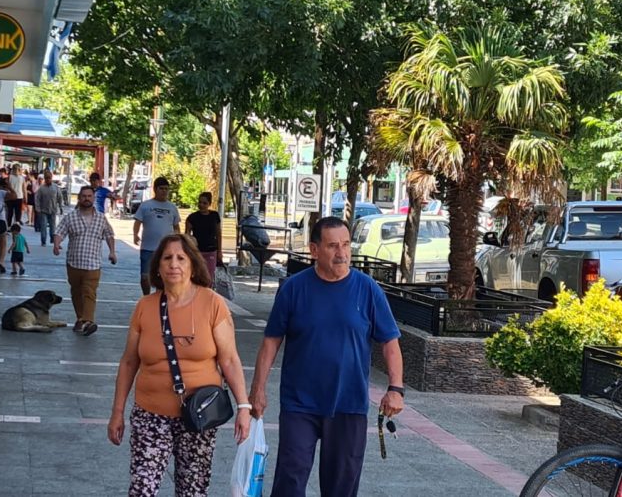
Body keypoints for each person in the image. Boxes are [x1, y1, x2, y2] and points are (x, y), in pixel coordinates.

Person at [249, 217, 405, 497]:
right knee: (290, 480)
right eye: (332, 246)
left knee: (341, 487)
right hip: (300, 403)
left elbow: (390, 343)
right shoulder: (293, 288)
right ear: (314, 250)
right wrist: (258, 389)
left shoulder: (368, 289)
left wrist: (395, 388)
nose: (342, 253)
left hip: (349, 404)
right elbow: (271, 341)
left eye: (346, 244)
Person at [107, 233, 252, 496]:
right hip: (150, 414)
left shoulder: (213, 303)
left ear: (193, 265)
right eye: (167, 258)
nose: (174, 264)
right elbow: (129, 362)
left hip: (199, 415)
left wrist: (243, 406)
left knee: (192, 490)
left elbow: (230, 359)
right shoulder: (145, 307)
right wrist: (117, 412)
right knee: (142, 488)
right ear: (158, 267)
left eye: (181, 258)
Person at [53, 186, 117, 337]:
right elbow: (59, 232)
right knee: (76, 292)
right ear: (79, 198)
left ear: (93, 198)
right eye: (84, 196)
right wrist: (56, 244)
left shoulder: (101, 218)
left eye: (89, 196)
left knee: (89, 292)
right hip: (74, 263)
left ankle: (88, 321)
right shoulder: (70, 217)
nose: (87, 198)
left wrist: (112, 252)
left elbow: (109, 235)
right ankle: (80, 319)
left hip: (93, 264)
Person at [132, 177, 180, 296]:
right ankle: (146, 297)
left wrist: (178, 241)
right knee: (145, 276)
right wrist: (135, 235)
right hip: (148, 247)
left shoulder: (172, 207)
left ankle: (161, 297)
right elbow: (137, 221)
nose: (164, 191)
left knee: (164, 276)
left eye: (166, 189)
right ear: (155, 189)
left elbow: (176, 226)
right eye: (161, 188)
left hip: (166, 249)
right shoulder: (146, 205)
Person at [184, 192, 222, 277]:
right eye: (200, 202)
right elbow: (187, 236)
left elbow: (218, 234)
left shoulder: (215, 216)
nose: (201, 205)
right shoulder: (192, 217)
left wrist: (219, 251)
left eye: (204, 203)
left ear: (209, 204)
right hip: (197, 252)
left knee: (209, 276)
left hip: (211, 251)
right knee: (197, 276)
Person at [34, 172, 61, 246]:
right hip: (43, 210)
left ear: (51, 178)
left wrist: (60, 207)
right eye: (46, 178)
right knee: (43, 226)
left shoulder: (55, 187)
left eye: (49, 178)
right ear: (45, 179)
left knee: (53, 227)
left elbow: (59, 197)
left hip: (53, 210)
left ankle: (52, 238)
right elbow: (37, 198)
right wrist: (38, 208)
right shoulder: (41, 188)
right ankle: (43, 241)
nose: (48, 179)